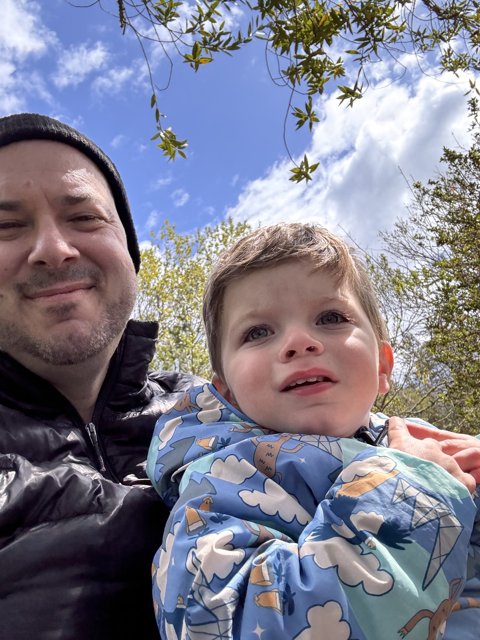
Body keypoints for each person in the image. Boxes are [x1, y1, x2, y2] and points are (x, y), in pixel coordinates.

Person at [147, 223, 480, 639]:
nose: (300, 341)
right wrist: (413, 489)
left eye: (331, 317)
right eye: (258, 332)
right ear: (226, 390)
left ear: (382, 366)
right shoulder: (218, 484)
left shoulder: (424, 443)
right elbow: (226, 623)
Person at [0, 113, 202, 640]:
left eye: (85, 218)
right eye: (5, 227)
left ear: (129, 252)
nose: (54, 248)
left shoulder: (227, 411)